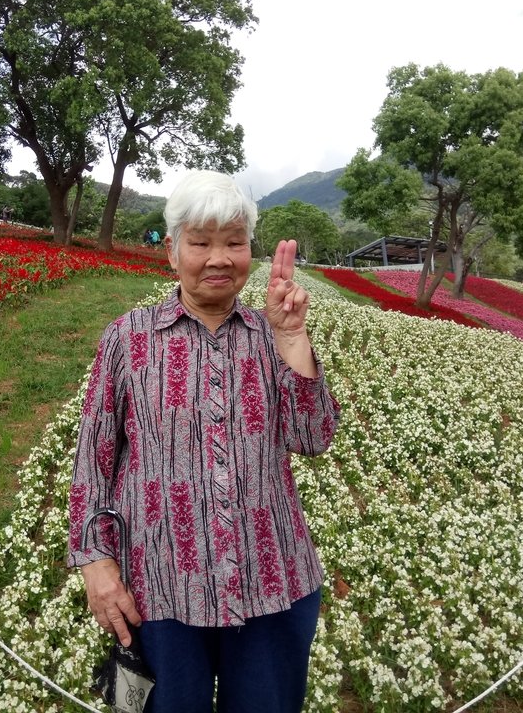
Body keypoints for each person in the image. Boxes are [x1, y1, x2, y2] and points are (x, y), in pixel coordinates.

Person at [67, 170, 340, 713]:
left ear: (250, 251)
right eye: (201, 242)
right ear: (172, 251)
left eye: (234, 242)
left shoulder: (273, 334)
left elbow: (313, 438)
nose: (219, 258)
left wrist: (291, 338)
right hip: (159, 590)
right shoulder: (128, 338)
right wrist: (95, 563)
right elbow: (93, 459)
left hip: (272, 584)